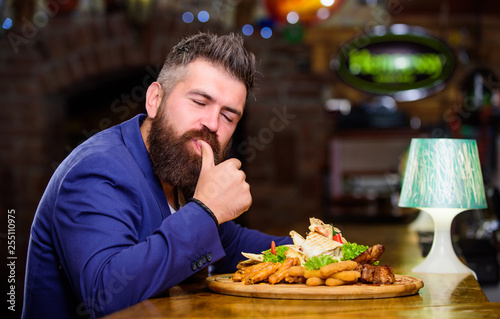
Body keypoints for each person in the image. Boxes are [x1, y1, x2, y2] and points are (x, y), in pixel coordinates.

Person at [22, 32, 293, 319]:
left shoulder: (180, 167)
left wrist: (312, 248)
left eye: (228, 116)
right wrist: (208, 209)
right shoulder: (97, 170)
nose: (212, 124)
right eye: (200, 102)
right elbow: (104, 295)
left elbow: (234, 245)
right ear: (154, 100)